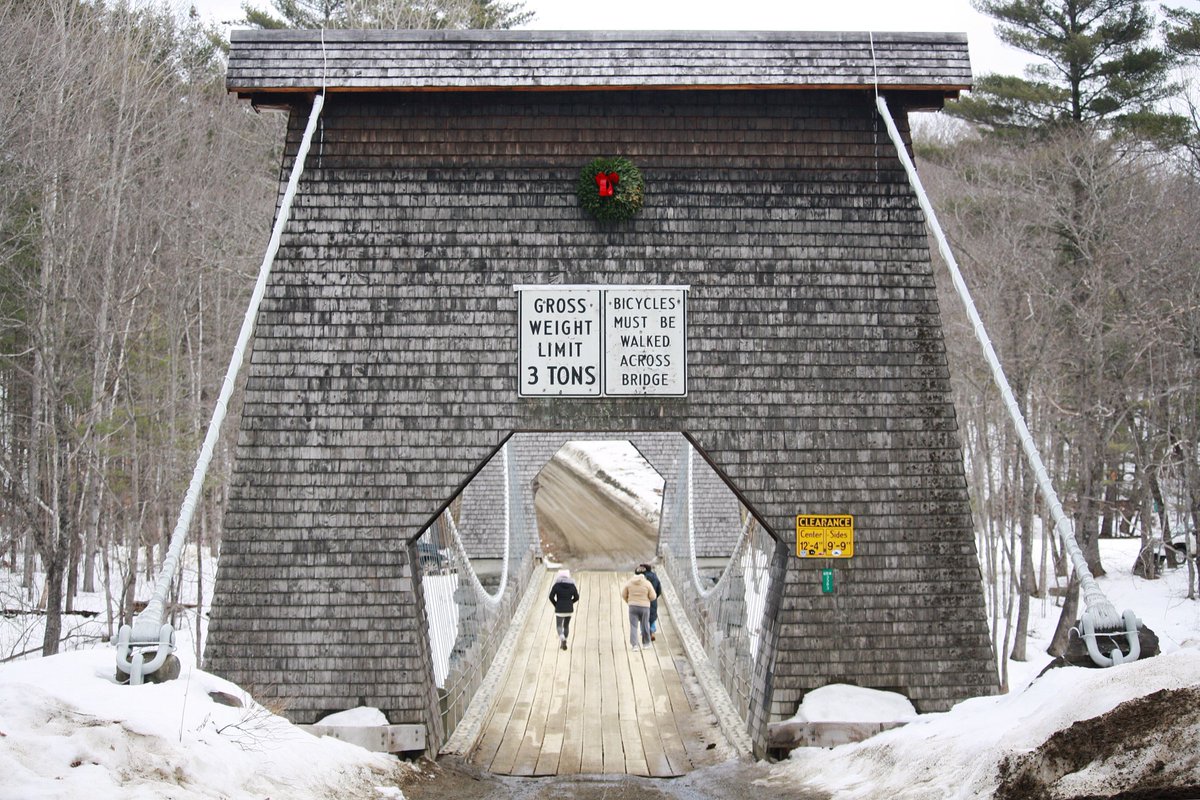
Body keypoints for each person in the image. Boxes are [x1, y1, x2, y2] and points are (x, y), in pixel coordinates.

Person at [621, 567, 657, 651]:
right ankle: (646, 644)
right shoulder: (647, 583)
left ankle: (635, 645)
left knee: (633, 626)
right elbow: (653, 596)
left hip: (633, 607)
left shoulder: (629, 582)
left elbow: (623, 594)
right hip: (645, 607)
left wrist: (629, 601)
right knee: (645, 625)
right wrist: (647, 600)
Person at [548, 569, 579, 650]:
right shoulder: (572, 586)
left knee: (559, 626)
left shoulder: (556, 585)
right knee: (566, 626)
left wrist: (556, 604)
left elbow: (551, 597)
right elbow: (577, 597)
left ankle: (562, 639)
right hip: (569, 609)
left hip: (559, 609)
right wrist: (571, 602)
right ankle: (564, 641)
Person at [636, 563, 662, 641]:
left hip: (642, 600)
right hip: (652, 599)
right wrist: (655, 596)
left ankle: (644, 633)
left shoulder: (640, 578)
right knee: (652, 616)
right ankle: (652, 631)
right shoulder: (654, 577)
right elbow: (659, 589)